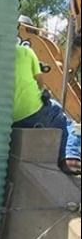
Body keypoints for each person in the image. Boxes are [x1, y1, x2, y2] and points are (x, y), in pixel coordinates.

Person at [12, 43, 81, 174]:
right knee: (61, 115)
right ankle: (68, 157)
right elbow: (40, 82)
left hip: (9, 117)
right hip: (33, 111)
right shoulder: (26, 51)